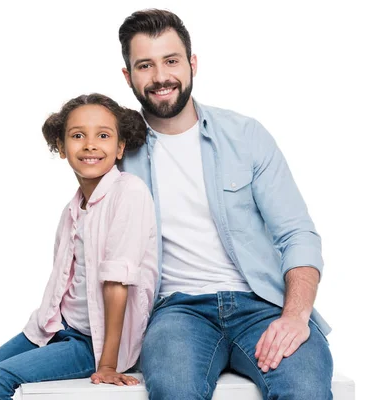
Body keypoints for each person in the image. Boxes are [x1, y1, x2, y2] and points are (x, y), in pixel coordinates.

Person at [117, 9, 333, 400]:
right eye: (145, 65)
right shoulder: (117, 150)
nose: (161, 77)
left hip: (261, 303)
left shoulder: (245, 135)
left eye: (171, 61)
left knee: (305, 389)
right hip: (176, 311)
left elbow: (297, 233)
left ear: (192, 64)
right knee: (174, 391)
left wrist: (296, 315)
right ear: (127, 75)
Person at [0, 93, 158, 400]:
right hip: (54, 329)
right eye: (77, 136)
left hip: (91, 342)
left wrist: (108, 364)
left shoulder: (129, 192)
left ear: (120, 148)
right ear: (61, 147)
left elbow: (117, 282)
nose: (90, 145)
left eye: (103, 135)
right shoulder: (72, 210)